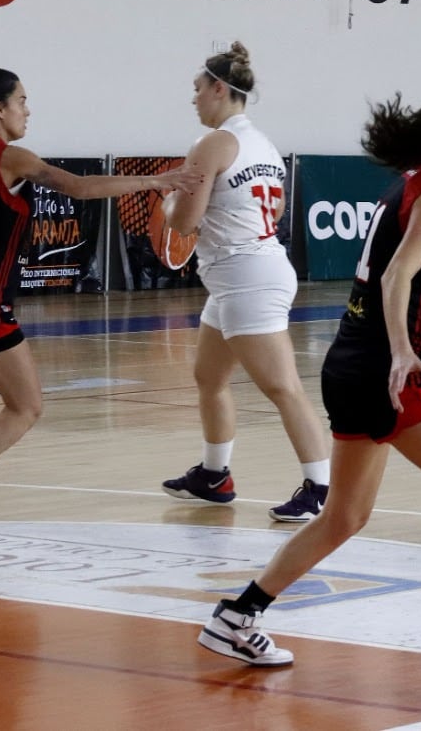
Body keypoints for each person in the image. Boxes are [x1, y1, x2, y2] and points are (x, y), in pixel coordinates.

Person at [195, 80, 421, 708]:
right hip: (387, 372)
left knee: (345, 517)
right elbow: (397, 275)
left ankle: (237, 616)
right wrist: (401, 352)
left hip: (351, 364)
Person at [0, 59, 201, 526]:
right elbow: (78, 186)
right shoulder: (9, 157)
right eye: (22, 101)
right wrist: (154, 180)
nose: (27, 111)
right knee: (26, 407)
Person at [158, 42, 332, 523]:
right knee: (209, 378)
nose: (193, 99)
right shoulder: (265, 145)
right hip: (250, 270)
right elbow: (273, 210)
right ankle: (215, 476)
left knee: (283, 387)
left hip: (246, 276)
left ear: (219, 89)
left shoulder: (211, 145)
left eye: (197, 89)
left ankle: (321, 488)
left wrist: (168, 200)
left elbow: (186, 222)